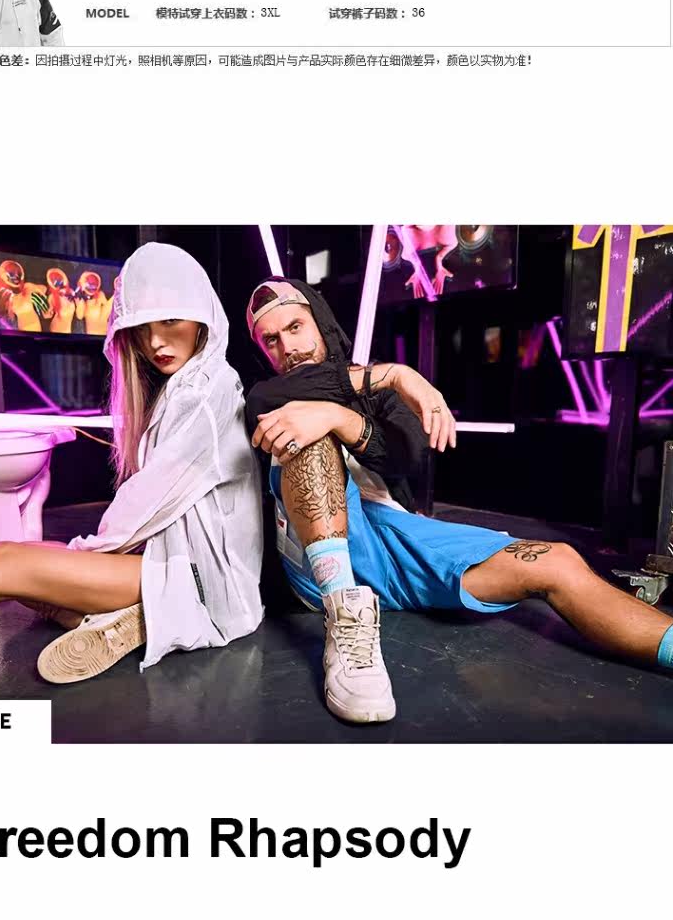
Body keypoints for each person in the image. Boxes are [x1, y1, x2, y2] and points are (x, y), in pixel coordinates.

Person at [245, 277, 673, 725]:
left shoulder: (375, 390)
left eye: (295, 327)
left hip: (397, 534)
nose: (287, 347)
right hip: (323, 559)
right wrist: (396, 374)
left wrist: (339, 414)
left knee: (557, 561)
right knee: (302, 430)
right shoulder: (267, 395)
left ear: (320, 322)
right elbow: (272, 399)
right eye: (270, 340)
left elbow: (408, 456)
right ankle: (346, 621)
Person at [0, 243, 264, 685]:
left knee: (4, 562)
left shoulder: (205, 391)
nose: (154, 342)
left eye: (169, 321)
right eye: (141, 328)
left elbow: (145, 502)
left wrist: (83, 553)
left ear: (201, 317)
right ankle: (122, 617)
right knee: (30, 560)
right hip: (174, 565)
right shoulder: (190, 386)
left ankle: (138, 614)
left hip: (198, 583)